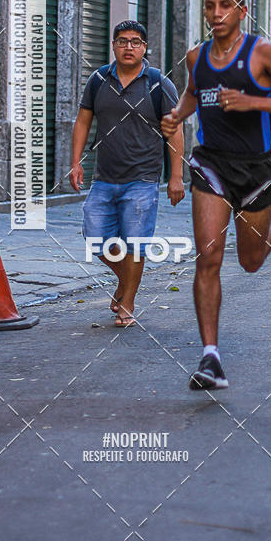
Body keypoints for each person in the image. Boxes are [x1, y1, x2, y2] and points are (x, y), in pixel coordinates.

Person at [161, 0, 271, 389]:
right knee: (208, 258)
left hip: (256, 169)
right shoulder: (197, 57)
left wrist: (254, 102)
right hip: (211, 165)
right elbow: (194, 93)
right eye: (210, 6)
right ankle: (210, 357)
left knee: (250, 262)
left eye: (225, 6)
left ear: (241, 11)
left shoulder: (263, 53)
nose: (216, 14)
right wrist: (176, 114)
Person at [70, 21, 185, 326]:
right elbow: (82, 122)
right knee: (95, 238)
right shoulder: (97, 80)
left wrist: (176, 177)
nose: (128, 47)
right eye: (122, 41)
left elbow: (175, 132)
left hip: (143, 178)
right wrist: (76, 161)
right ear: (113, 45)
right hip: (104, 177)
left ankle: (129, 302)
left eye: (135, 42)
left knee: (135, 243)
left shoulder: (159, 84)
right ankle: (125, 281)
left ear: (145, 47)